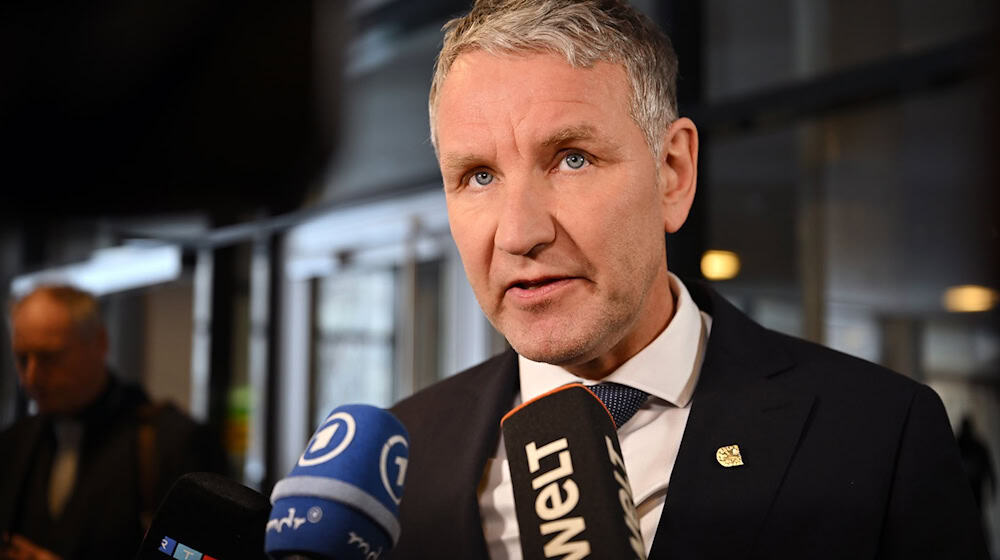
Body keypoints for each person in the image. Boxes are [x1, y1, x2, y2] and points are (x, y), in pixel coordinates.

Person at [388, 1, 989, 558]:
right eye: (478, 176)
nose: (519, 233)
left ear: (672, 172)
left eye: (572, 158)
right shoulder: (401, 458)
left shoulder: (878, 433)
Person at [0, 285, 226, 560]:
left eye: (50, 357)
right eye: (22, 358)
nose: (30, 377)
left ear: (100, 343)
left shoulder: (173, 443)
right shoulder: (13, 444)